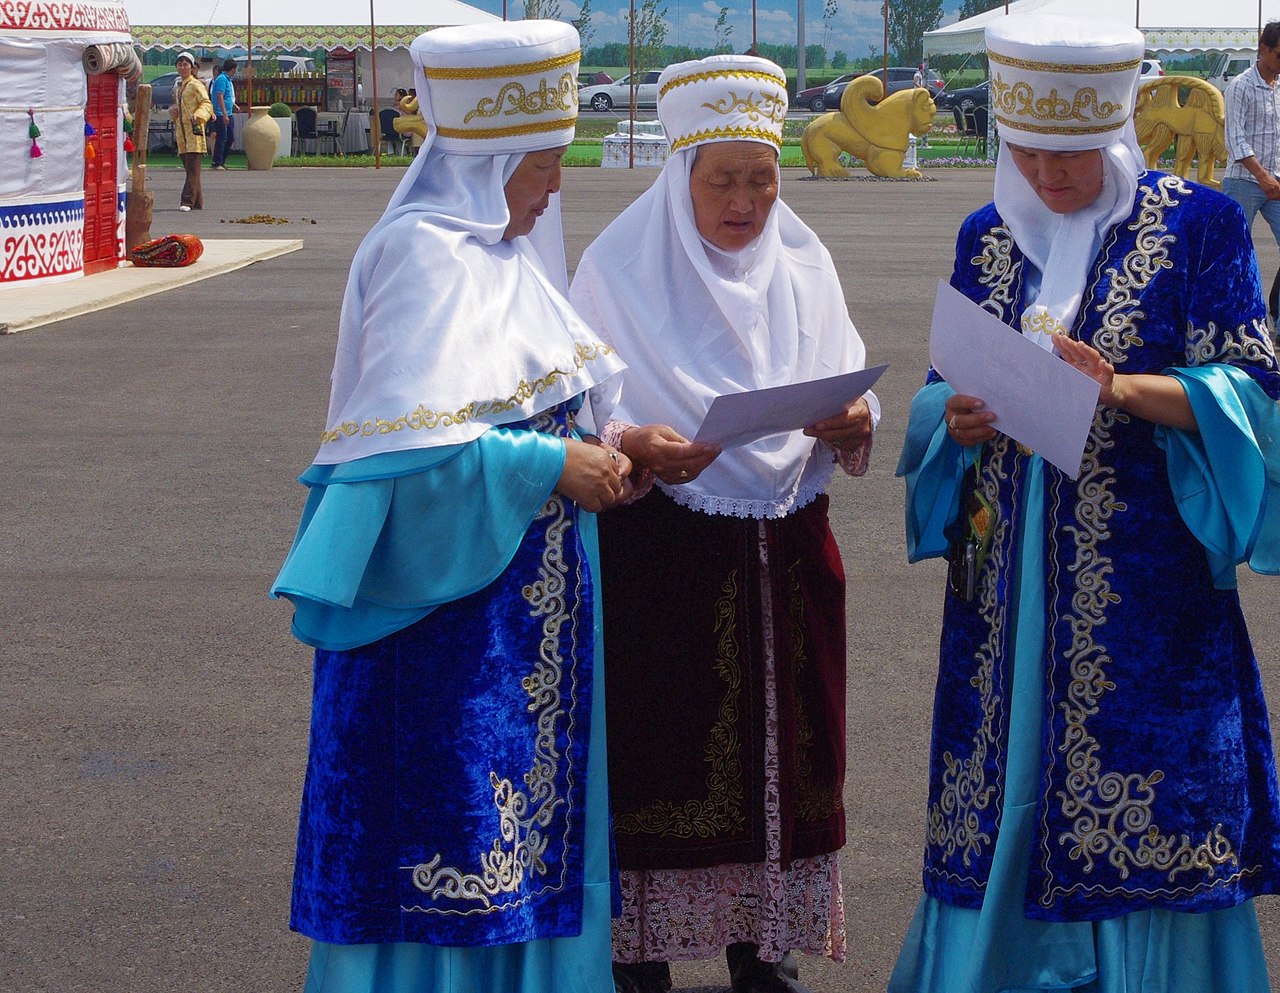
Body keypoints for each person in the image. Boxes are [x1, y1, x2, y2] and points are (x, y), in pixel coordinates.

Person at [893, 15, 1280, 993]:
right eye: (1024, 152)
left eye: (1068, 154)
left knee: (1142, 780)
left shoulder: (1199, 226)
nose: (1046, 176)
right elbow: (944, 386)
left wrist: (1117, 390)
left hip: (1142, 575)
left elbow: (1249, 391)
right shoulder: (984, 238)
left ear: (1109, 135)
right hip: (1007, 569)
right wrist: (958, 415)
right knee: (1004, 763)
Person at [270, 21, 630, 993]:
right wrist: (551, 467)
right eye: (541, 166)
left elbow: (536, 409)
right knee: (445, 856)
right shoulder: (423, 259)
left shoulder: (505, 258)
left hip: (518, 641)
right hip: (438, 645)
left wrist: (621, 448)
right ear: (488, 160)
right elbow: (389, 475)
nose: (553, 188)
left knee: (518, 846)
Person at [570, 54, 880, 993]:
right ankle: (642, 954)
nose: (744, 201)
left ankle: (764, 945)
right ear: (680, 179)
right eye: (722, 181)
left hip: (787, 549)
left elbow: (851, 380)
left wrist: (854, 421)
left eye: (761, 178)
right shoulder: (618, 269)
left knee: (792, 748)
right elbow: (586, 412)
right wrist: (634, 440)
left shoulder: (805, 261)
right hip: (666, 558)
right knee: (663, 751)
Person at [1224, 21, 1280, 325]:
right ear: (1263, 49)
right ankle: (1235, 323)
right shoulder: (1241, 86)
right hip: (1244, 181)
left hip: (1276, 181)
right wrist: (1262, 176)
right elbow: (1235, 137)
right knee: (1233, 253)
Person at [170, 51, 212, 210]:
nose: (182, 67)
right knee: (190, 169)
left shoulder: (195, 85)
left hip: (194, 132)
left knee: (193, 169)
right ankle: (197, 202)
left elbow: (206, 104)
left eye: (185, 64)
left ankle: (187, 201)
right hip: (182, 134)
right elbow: (180, 108)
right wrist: (174, 112)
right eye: (180, 64)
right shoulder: (179, 87)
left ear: (191, 67)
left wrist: (199, 115)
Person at [209, 58, 236, 171]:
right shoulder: (222, 79)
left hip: (228, 112)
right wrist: (224, 114)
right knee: (222, 138)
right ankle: (217, 162)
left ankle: (222, 160)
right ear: (233, 69)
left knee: (230, 138)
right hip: (221, 113)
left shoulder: (228, 79)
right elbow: (220, 96)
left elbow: (228, 96)